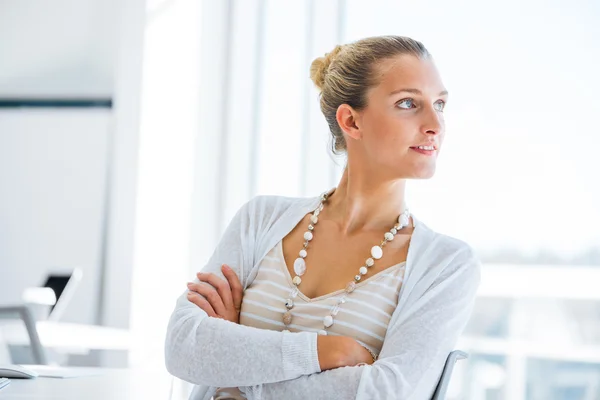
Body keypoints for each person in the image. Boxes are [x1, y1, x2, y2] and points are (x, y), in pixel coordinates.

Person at [165, 35, 481, 400]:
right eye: (408, 103)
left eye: (439, 104)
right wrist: (331, 353)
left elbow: (387, 394)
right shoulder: (261, 219)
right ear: (351, 121)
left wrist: (234, 364)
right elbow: (182, 347)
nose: (435, 124)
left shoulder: (446, 265)